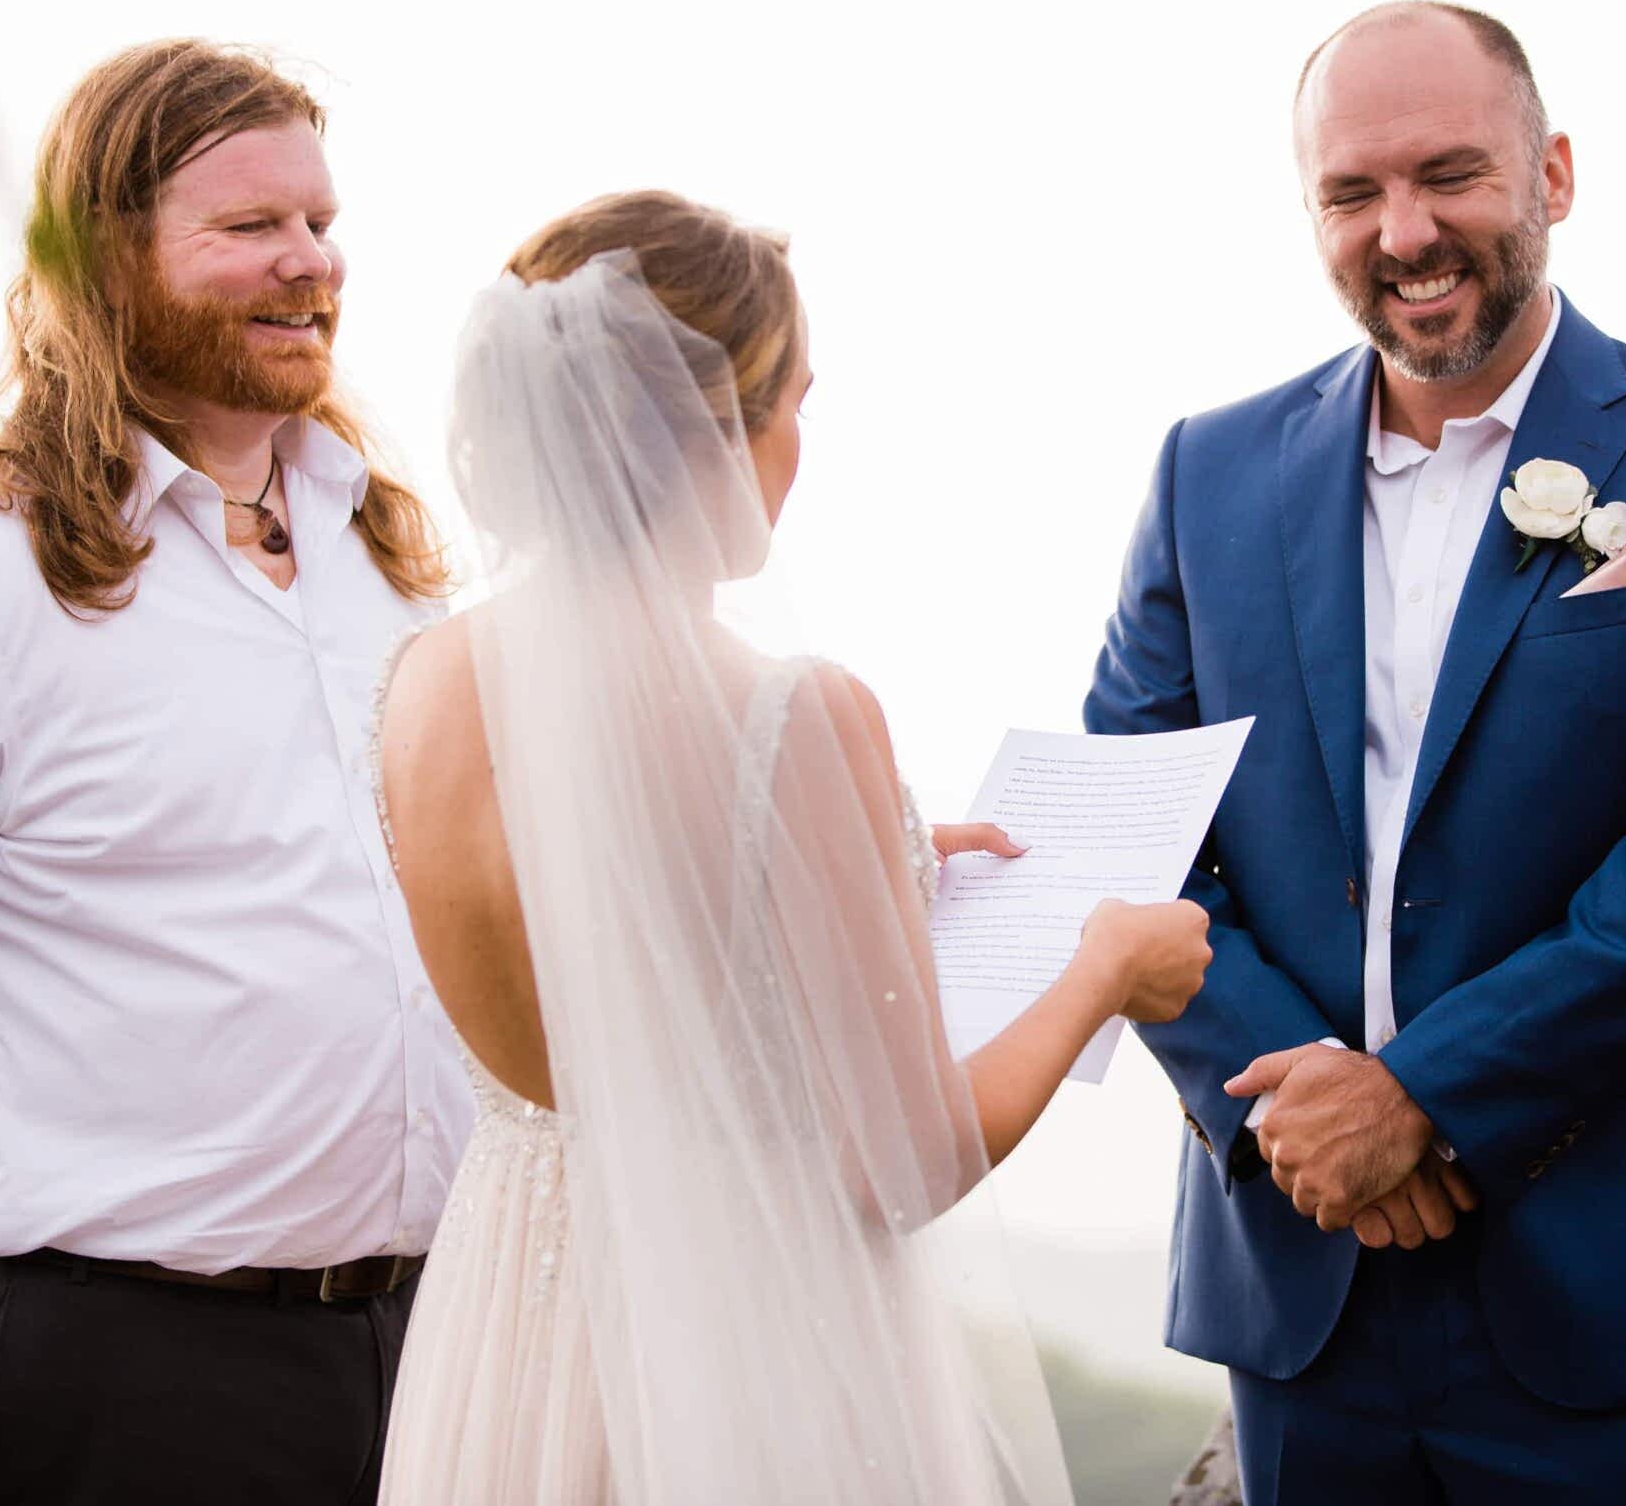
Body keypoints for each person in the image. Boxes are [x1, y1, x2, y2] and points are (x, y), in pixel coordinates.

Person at [1089, 1, 1626, 1503]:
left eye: (1451, 175)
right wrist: (1303, 1116)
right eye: (1352, 192)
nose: (1406, 231)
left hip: (1615, 1280)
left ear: (1552, 176)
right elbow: (1130, 824)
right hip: (1299, 1279)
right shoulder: (1206, 473)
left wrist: (1418, 1098)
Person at [0, 39, 468, 1504]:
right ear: (104, 259)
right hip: (119, 1369)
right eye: (250, 229)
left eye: (320, 222)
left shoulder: (381, 551)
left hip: (418, 1345)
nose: (311, 262)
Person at [371, 190, 1213, 1503]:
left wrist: (878, 861)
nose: (800, 442)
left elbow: (612, 912)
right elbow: (905, 1161)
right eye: (795, 401)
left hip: (514, 1335)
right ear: (720, 424)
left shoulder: (425, 679)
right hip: (743, 1343)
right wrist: (1107, 966)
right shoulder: (790, 711)